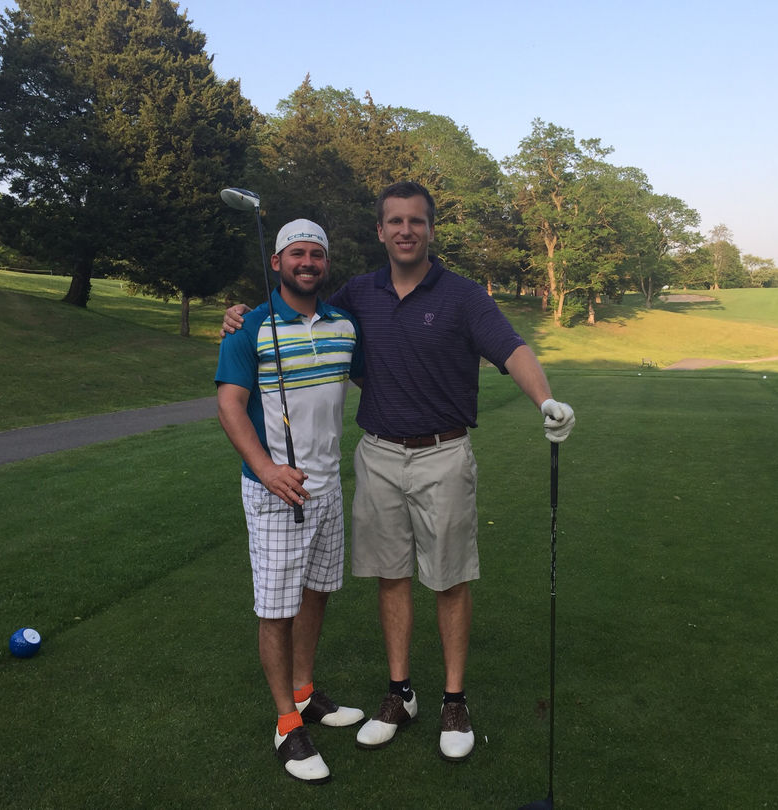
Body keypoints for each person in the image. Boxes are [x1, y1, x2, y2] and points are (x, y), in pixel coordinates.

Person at [223, 182, 575, 763]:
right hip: (379, 455)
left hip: (444, 453)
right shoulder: (359, 294)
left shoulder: (462, 295)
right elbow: (298, 303)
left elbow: (511, 349)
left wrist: (545, 400)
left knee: (450, 579)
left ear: (430, 229)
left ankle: (454, 701)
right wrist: (241, 313)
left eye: (416, 221)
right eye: (395, 221)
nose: (406, 230)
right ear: (381, 231)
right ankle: (399, 694)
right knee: (390, 576)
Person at [215, 218, 366, 784]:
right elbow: (230, 405)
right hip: (275, 490)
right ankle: (286, 724)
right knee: (276, 609)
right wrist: (266, 469)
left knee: (316, 593)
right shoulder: (248, 326)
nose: (307, 262)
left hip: (327, 486)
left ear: (326, 263)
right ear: (276, 262)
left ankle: (304, 692)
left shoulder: (344, 325)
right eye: (296, 253)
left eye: (316, 254)